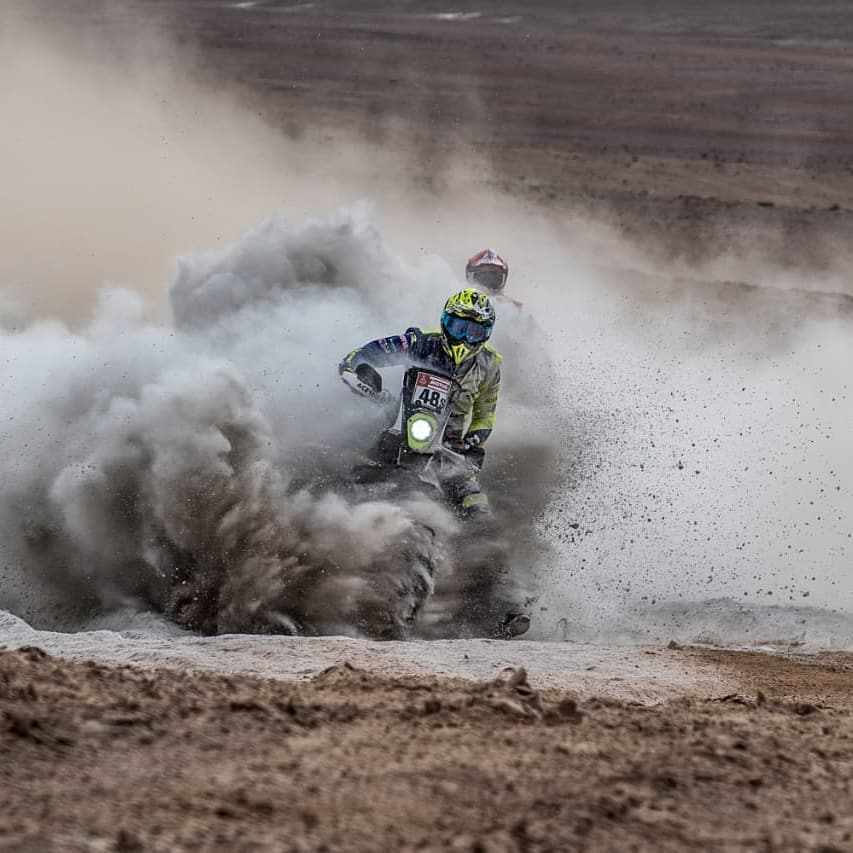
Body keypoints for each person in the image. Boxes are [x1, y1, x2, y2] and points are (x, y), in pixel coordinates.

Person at [339, 288, 501, 518]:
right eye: (459, 327)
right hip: (403, 430)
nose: (465, 338)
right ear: (446, 322)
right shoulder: (420, 342)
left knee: (476, 505)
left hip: (448, 447)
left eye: (474, 332)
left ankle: (473, 544)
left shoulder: (490, 364)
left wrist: (474, 441)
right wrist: (356, 367)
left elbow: (485, 414)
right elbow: (371, 351)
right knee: (352, 458)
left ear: (486, 334)